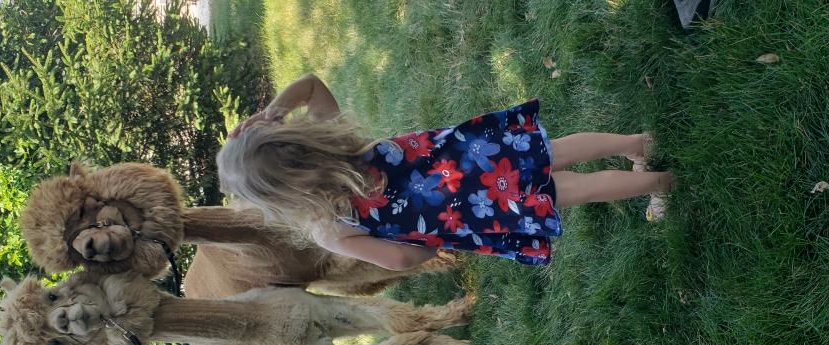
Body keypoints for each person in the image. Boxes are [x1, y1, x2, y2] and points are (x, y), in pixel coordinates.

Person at [217, 74, 674, 269]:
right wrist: (273, 113)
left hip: (473, 208)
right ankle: (638, 143)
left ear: (280, 201)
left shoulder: (331, 228)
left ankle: (659, 185)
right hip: (471, 156)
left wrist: (426, 243)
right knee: (552, 152)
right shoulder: (344, 146)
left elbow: (403, 259)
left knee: (567, 191)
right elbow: (311, 85)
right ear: (293, 139)